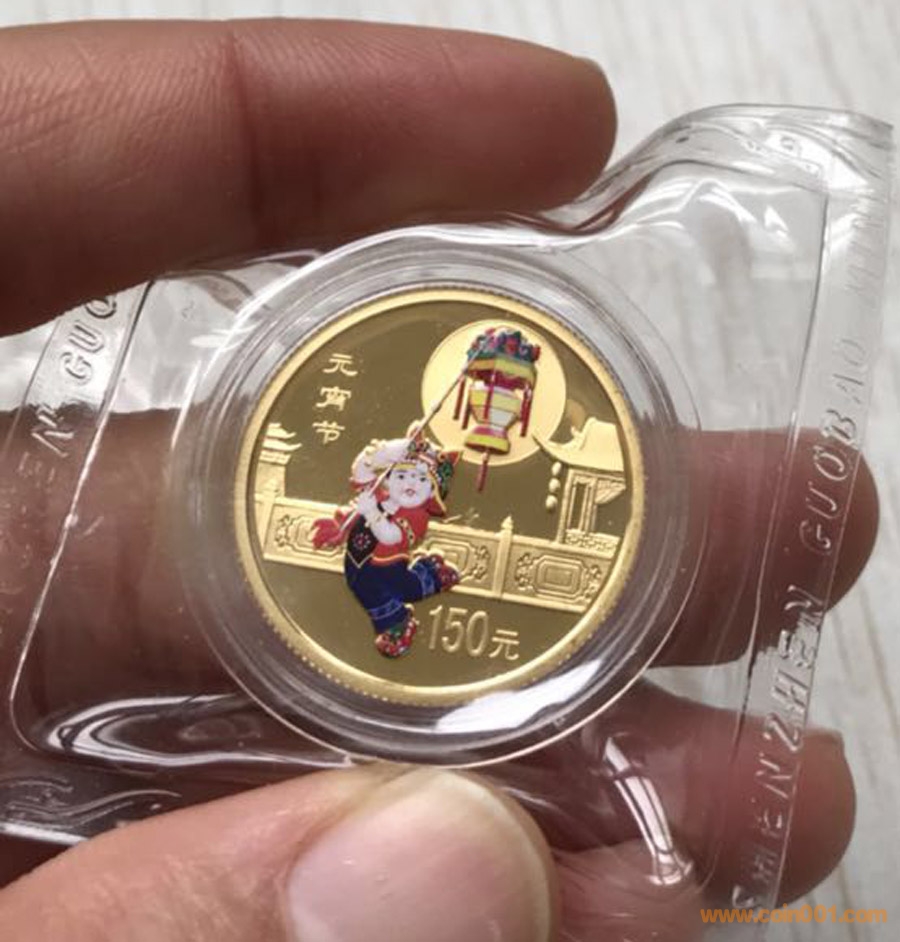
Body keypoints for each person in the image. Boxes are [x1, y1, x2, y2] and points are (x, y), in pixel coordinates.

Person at [0, 18, 876, 942]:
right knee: (383, 583)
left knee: (411, 581)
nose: (494, 405)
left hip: (412, 585)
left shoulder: (457, 470)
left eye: (509, 395)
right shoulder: (394, 473)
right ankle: (401, 602)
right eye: (484, 390)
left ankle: (408, 596)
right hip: (361, 570)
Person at [312, 436, 461, 657]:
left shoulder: (417, 516)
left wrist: (371, 512)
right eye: (401, 476)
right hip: (357, 559)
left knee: (402, 589)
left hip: (387, 566)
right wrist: (390, 451)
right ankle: (427, 577)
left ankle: (406, 611)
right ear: (388, 480)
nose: (410, 484)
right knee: (359, 585)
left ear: (432, 492)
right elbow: (361, 470)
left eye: (421, 479)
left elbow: (391, 536)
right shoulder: (378, 497)